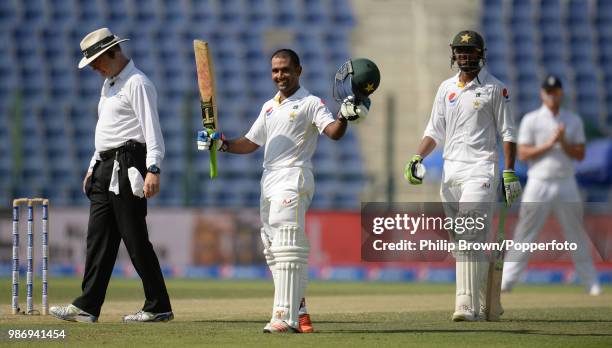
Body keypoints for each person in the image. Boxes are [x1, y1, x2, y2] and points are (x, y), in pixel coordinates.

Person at [197, 49, 378, 333]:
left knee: (287, 244)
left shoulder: (310, 103)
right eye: (275, 71)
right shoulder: (269, 106)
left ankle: (284, 317)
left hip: (294, 176)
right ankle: (300, 309)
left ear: (298, 71)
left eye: (285, 70)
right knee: (272, 249)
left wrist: (344, 116)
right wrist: (220, 143)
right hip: (268, 179)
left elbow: (333, 132)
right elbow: (250, 142)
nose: (279, 75)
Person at [50, 28, 173, 322]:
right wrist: (93, 165)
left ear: (112, 52)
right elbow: (107, 130)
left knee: (134, 238)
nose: (94, 67)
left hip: (128, 163)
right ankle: (87, 306)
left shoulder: (137, 83)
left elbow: (152, 131)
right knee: (98, 239)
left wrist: (153, 168)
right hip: (105, 165)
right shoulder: (109, 84)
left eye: (96, 60)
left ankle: (158, 306)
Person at [404, 30, 521, 321]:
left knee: (469, 235)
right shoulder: (446, 88)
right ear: (453, 54)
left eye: (470, 51)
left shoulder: (496, 88)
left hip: (481, 169)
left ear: (481, 54)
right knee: (463, 244)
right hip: (450, 172)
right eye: (460, 51)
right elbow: (434, 130)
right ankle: (486, 301)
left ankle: (465, 305)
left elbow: (508, 132)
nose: (464, 56)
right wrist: (418, 156)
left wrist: (509, 171)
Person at [501, 75, 602, 296]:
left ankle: (591, 283)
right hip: (539, 181)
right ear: (542, 94)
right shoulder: (531, 119)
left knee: (576, 233)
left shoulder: (573, 120)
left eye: (555, 92)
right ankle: (507, 280)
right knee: (525, 233)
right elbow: (523, 153)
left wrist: (563, 141)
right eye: (548, 92)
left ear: (561, 94)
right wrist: (550, 144)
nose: (552, 96)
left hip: (566, 181)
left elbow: (581, 154)